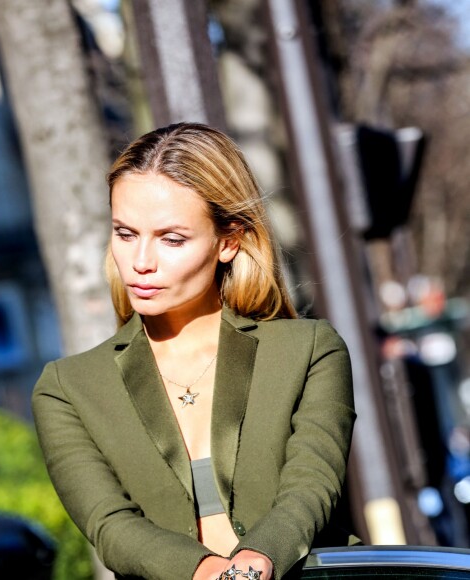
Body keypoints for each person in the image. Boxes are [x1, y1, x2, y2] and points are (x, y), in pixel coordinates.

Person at [32, 122, 357, 580]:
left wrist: (256, 564)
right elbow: (110, 526)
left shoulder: (308, 351)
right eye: (125, 234)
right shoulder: (69, 388)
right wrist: (207, 574)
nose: (141, 262)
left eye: (171, 239)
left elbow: (311, 486)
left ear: (229, 241)